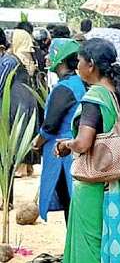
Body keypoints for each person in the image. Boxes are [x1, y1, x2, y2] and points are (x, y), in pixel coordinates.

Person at [49, 38, 120, 263]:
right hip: (112, 181)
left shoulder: (93, 99)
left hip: (92, 182)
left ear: (91, 65)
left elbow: (85, 142)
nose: (77, 66)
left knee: (88, 243)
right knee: (104, 238)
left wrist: (66, 144)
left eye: (80, 61)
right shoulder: (115, 95)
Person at [31, 39, 86, 224]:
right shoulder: (79, 83)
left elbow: (51, 124)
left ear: (60, 60)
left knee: (69, 201)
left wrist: (36, 143)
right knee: (75, 203)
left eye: (51, 54)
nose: (47, 57)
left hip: (62, 152)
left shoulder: (64, 89)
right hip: (76, 149)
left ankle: (73, 251)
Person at [0, 27, 39, 209]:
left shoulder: (8, 60)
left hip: (8, 111)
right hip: (22, 109)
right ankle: (7, 199)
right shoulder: (27, 62)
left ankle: (6, 200)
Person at [9, 26, 41, 178]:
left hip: (17, 97)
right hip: (30, 95)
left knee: (19, 130)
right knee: (29, 128)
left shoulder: (16, 57)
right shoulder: (33, 54)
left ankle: (20, 167)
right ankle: (28, 166)